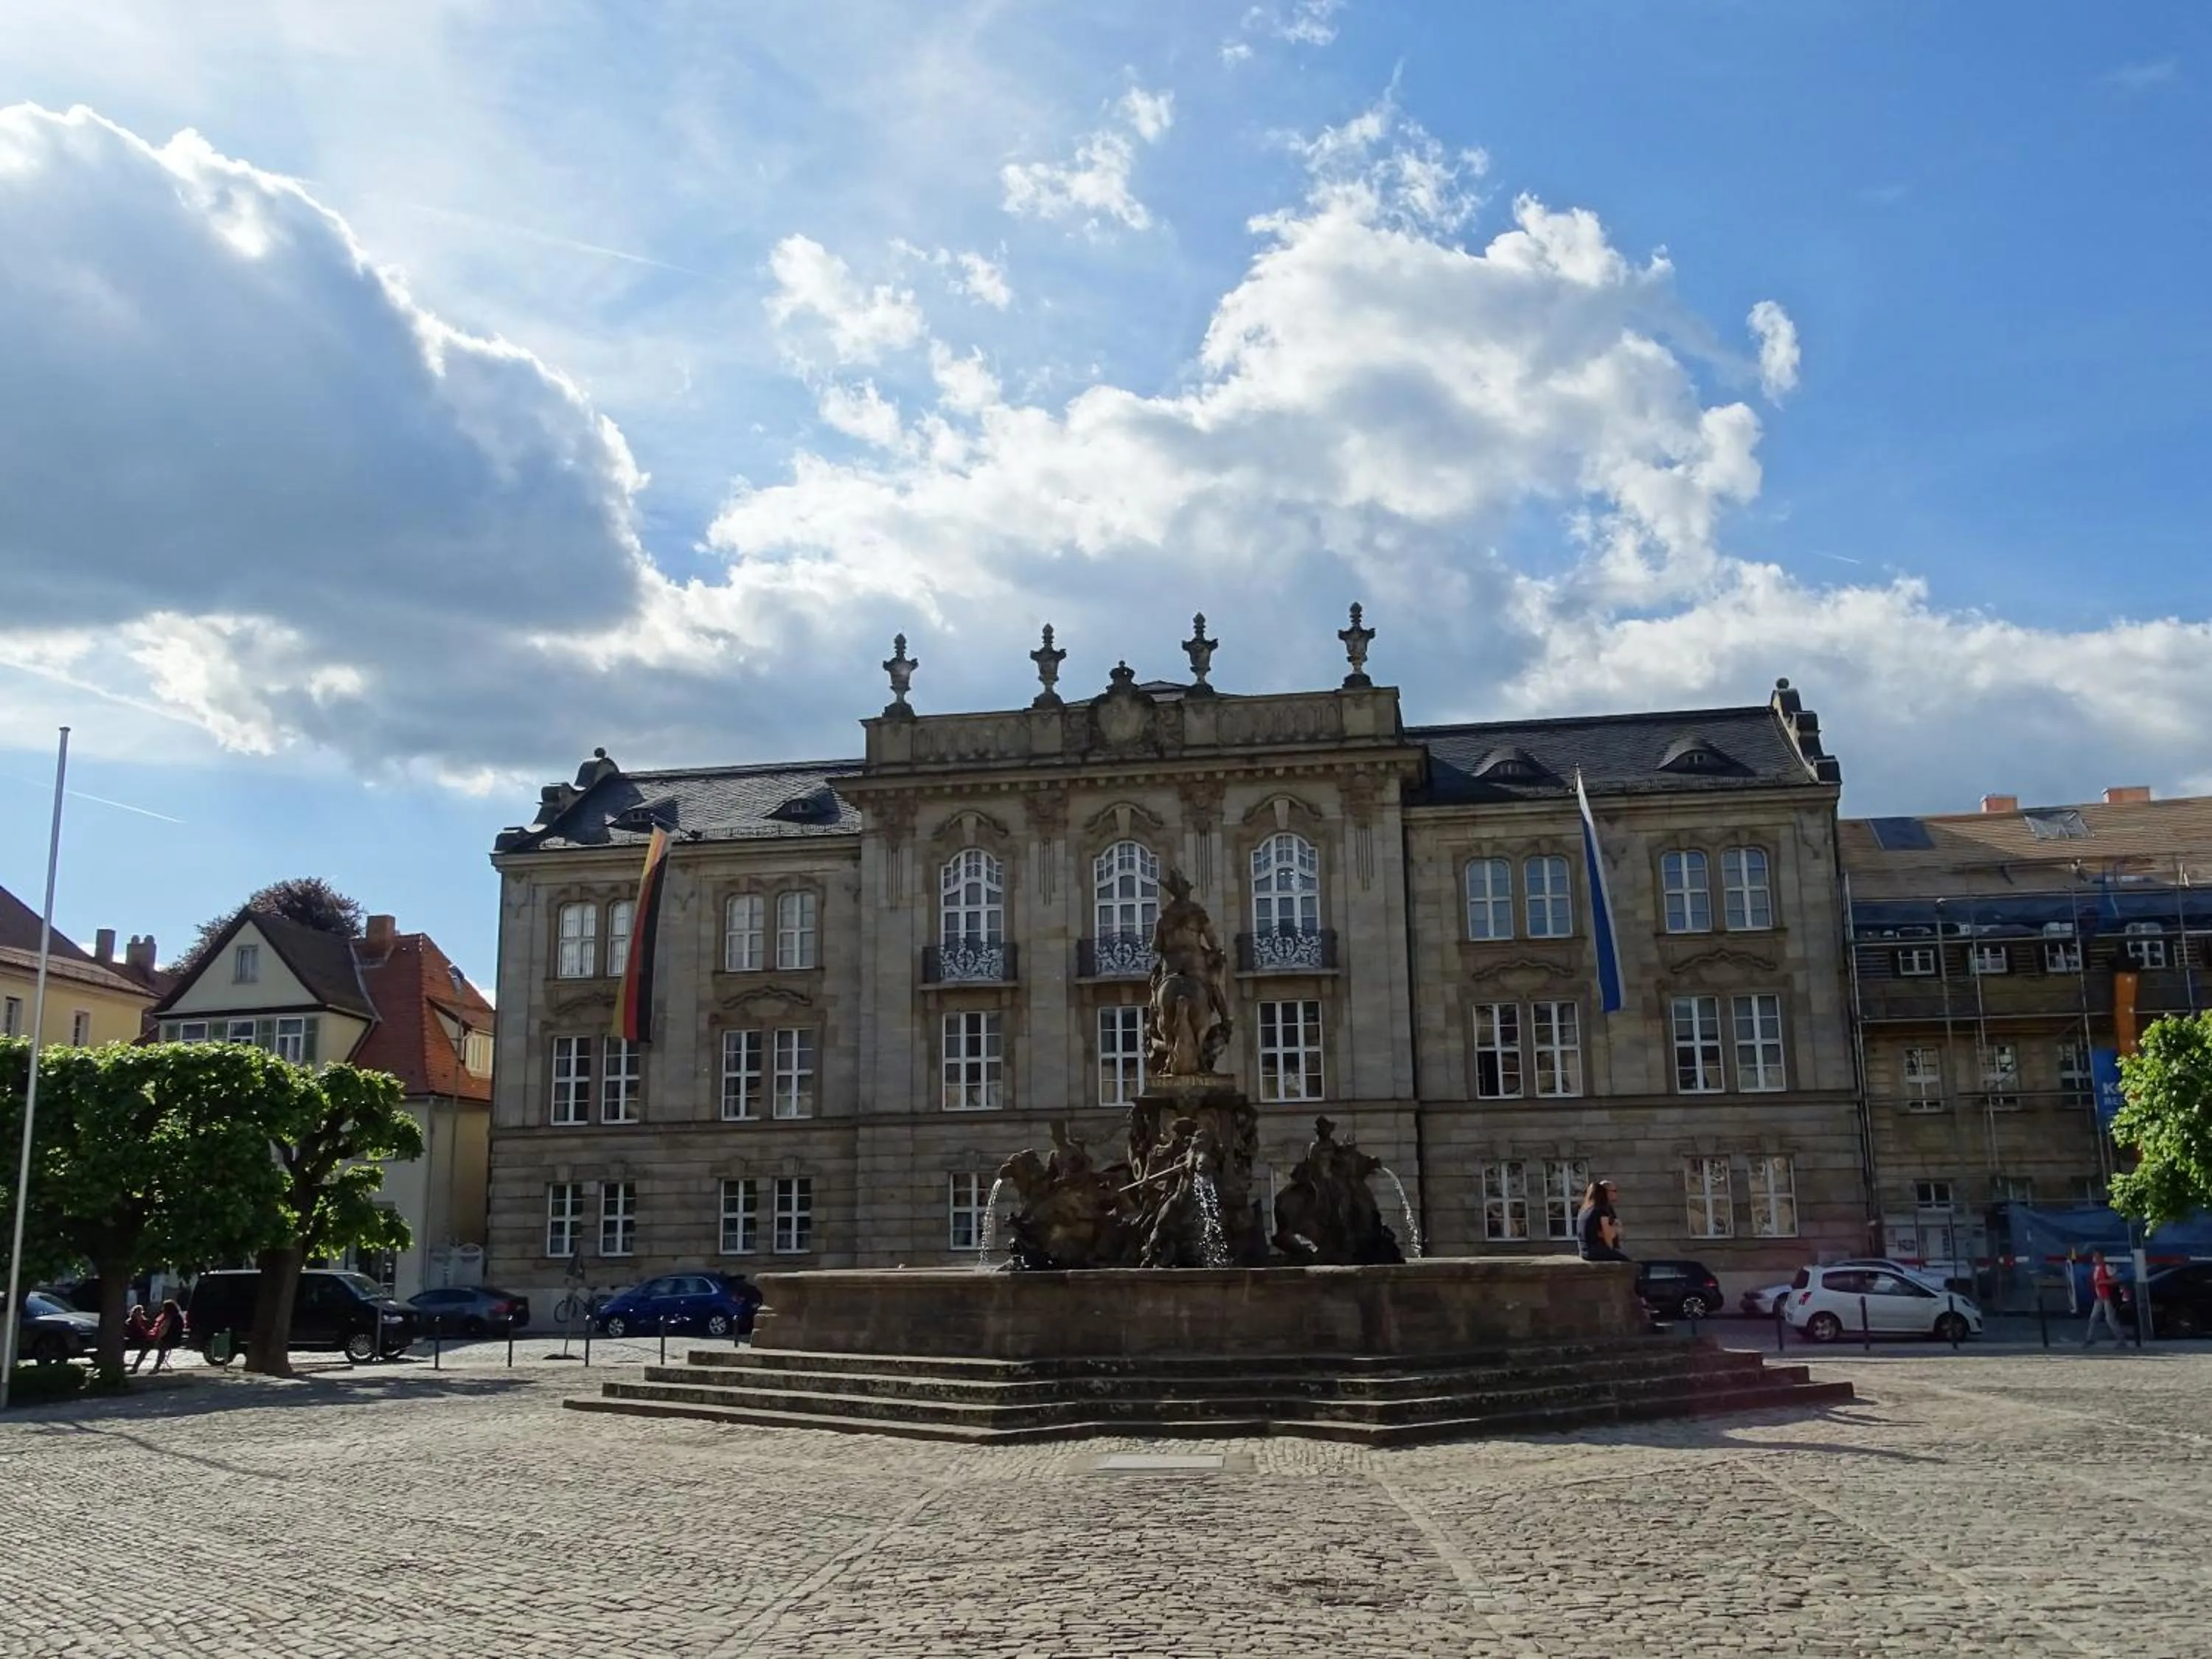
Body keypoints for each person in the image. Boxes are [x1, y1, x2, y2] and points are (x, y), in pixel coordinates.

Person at [1576, 1180, 1631, 1263]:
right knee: (1628, 1263)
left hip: (1585, 1251)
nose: (1617, 1194)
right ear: (1605, 1192)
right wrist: (1611, 1249)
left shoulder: (1586, 1208)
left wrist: (1610, 1231)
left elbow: (1619, 1229)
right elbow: (1608, 1234)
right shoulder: (1600, 1209)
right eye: (1614, 1191)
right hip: (1595, 1251)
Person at [2082, 1252, 2128, 1349]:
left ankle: (2121, 1339)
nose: (2095, 1259)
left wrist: (2103, 1282)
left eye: (2097, 1257)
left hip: (2107, 1296)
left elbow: (2116, 1279)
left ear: (2102, 1258)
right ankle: (2089, 1339)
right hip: (2099, 1296)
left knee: (2110, 1319)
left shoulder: (2107, 1268)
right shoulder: (2096, 1269)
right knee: (2094, 1318)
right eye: (2094, 1257)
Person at [149, 1298, 187, 1374]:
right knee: (161, 1348)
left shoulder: (170, 1318)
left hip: (169, 1339)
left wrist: (158, 1339)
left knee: (158, 1348)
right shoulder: (178, 1317)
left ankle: (156, 1367)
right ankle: (157, 1367)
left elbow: (164, 1330)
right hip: (175, 1338)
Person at [125, 1304, 156, 1374]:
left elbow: (151, 1330)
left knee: (147, 1347)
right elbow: (129, 1333)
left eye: (140, 1313)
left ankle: (135, 1367)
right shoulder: (130, 1322)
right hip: (133, 1341)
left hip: (144, 1341)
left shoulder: (145, 1321)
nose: (139, 1315)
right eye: (137, 1313)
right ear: (134, 1313)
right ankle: (131, 1367)